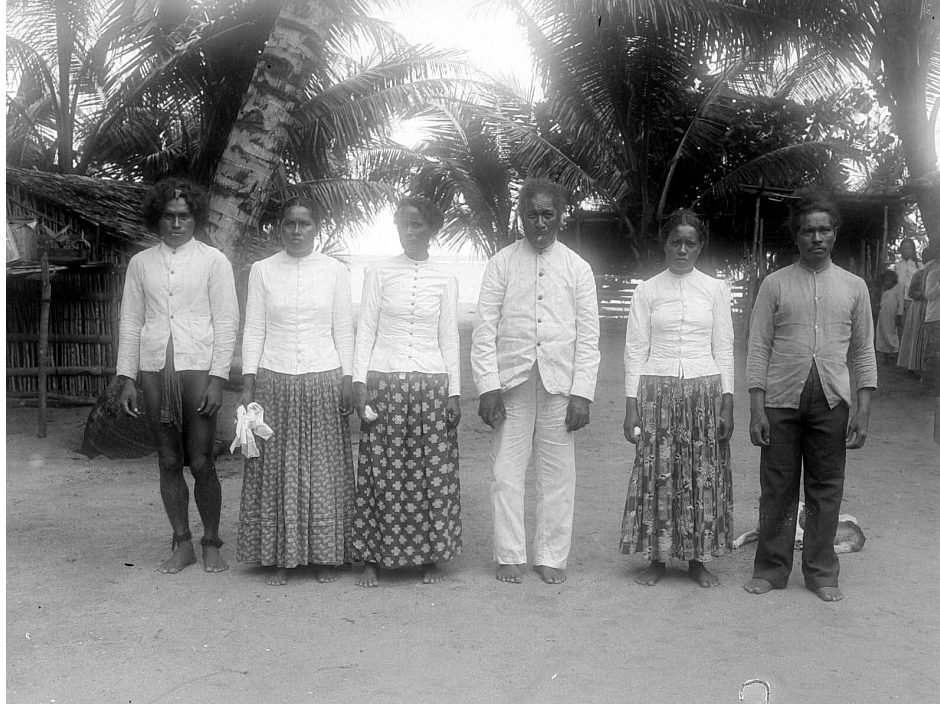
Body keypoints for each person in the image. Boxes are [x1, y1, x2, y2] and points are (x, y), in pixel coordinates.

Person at [744, 189, 877, 603]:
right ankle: (771, 567)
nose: (816, 238)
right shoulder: (775, 284)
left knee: (825, 488)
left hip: (832, 402)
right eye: (808, 231)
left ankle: (821, 571)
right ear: (796, 236)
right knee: (778, 487)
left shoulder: (854, 288)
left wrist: (863, 409)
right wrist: (756, 407)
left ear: (835, 234)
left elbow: (862, 351)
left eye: (824, 230)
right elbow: (759, 346)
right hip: (781, 400)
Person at [471, 178, 600, 585]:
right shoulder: (502, 263)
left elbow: (589, 337)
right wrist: (488, 386)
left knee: (558, 475)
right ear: (520, 217)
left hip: (560, 384)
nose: (540, 222)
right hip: (512, 382)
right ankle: (510, 554)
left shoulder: (578, 268)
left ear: (561, 216)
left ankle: (551, 556)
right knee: (506, 472)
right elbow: (484, 329)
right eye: (532, 214)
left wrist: (582, 393)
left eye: (548, 214)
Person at [117, 178, 239, 574]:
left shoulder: (213, 261)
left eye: (183, 215)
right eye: (168, 216)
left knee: (202, 461)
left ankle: (212, 542)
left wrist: (218, 378)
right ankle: (182, 543)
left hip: (198, 369)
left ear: (195, 218)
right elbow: (131, 321)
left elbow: (226, 320)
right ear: (158, 218)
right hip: (154, 369)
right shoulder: (141, 263)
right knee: (168, 460)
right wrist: (127, 378)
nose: (175, 223)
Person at [235, 197, 355, 586]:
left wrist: (348, 379)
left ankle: (325, 555)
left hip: (323, 376)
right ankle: (280, 557)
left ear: (316, 227)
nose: (297, 231)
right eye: (289, 224)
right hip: (275, 378)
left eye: (305, 224)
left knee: (322, 468)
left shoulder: (335, 270)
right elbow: (253, 329)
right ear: (278, 227)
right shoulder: (262, 271)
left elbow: (343, 329)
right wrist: (249, 382)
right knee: (278, 469)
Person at [351, 196, 462, 587]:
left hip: (432, 384)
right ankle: (372, 557)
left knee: (431, 472)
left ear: (431, 228)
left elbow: (449, 335)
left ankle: (428, 556)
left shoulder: (445, 277)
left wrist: (455, 392)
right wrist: (358, 381)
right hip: (385, 382)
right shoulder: (379, 272)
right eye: (403, 225)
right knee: (381, 471)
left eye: (417, 225)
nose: (409, 232)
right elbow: (365, 328)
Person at [620, 209, 734, 588]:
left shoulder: (715, 289)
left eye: (690, 243)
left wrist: (727, 402)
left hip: (705, 391)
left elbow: (725, 347)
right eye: (675, 242)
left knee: (702, 475)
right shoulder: (647, 290)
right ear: (665, 245)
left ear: (700, 246)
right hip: (657, 392)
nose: (682, 249)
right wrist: (630, 406)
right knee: (660, 474)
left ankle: (698, 560)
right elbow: (635, 350)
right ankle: (657, 557)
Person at [897, 246, 935, 374]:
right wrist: (923, 294)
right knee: (916, 336)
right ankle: (913, 366)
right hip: (918, 307)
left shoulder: (935, 273)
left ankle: (925, 367)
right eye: (926, 257)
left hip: (931, 308)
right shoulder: (918, 274)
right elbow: (911, 293)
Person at [874, 269, 903, 365]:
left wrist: (899, 314)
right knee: (882, 335)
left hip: (892, 317)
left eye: (889, 280)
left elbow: (901, 303)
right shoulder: (884, 291)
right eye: (885, 280)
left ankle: (894, 355)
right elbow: (883, 303)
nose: (887, 282)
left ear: (894, 280)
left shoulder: (896, 290)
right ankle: (885, 357)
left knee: (892, 334)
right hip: (883, 317)